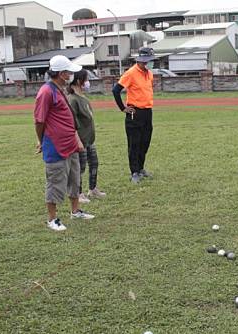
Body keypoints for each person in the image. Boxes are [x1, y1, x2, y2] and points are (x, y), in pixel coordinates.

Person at [34, 55, 94, 231]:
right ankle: (52, 219)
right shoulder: (46, 92)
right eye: (68, 72)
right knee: (55, 181)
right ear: (61, 73)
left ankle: (75, 210)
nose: (71, 75)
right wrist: (41, 140)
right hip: (55, 145)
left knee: (74, 178)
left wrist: (75, 138)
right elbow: (39, 120)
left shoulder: (60, 89)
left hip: (70, 144)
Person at [112, 47, 156, 184]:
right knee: (134, 143)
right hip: (134, 113)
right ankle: (134, 172)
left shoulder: (149, 74)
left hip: (147, 112)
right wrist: (122, 108)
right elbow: (116, 90)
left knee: (145, 142)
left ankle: (141, 168)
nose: (149, 63)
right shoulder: (131, 73)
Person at [67, 69, 106, 203]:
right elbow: (72, 123)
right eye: (86, 79)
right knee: (80, 167)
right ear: (78, 81)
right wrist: (78, 141)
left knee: (94, 163)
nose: (88, 82)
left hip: (90, 139)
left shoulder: (83, 98)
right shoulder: (72, 100)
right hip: (80, 141)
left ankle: (93, 188)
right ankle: (78, 193)